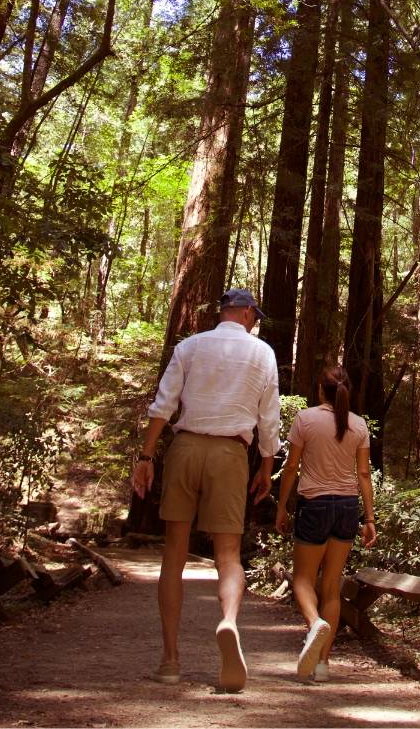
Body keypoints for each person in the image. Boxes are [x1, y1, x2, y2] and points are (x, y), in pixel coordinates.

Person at [131, 288, 280, 692]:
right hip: (231, 453)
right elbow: (269, 417)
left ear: (223, 312)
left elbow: (164, 404)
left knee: (174, 553)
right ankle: (228, 622)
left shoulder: (191, 346)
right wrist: (266, 466)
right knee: (228, 553)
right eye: (255, 316)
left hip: (186, 448)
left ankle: (170, 661)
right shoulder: (262, 353)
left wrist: (146, 458)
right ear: (247, 313)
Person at [275, 366, 377, 681]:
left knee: (304, 580)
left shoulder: (305, 420)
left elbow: (292, 466)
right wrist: (370, 518)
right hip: (347, 508)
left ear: (321, 390)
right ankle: (322, 665)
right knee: (331, 586)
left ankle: (314, 623)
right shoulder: (358, 425)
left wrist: (281, 507)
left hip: (314, 505)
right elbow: (363, 474)